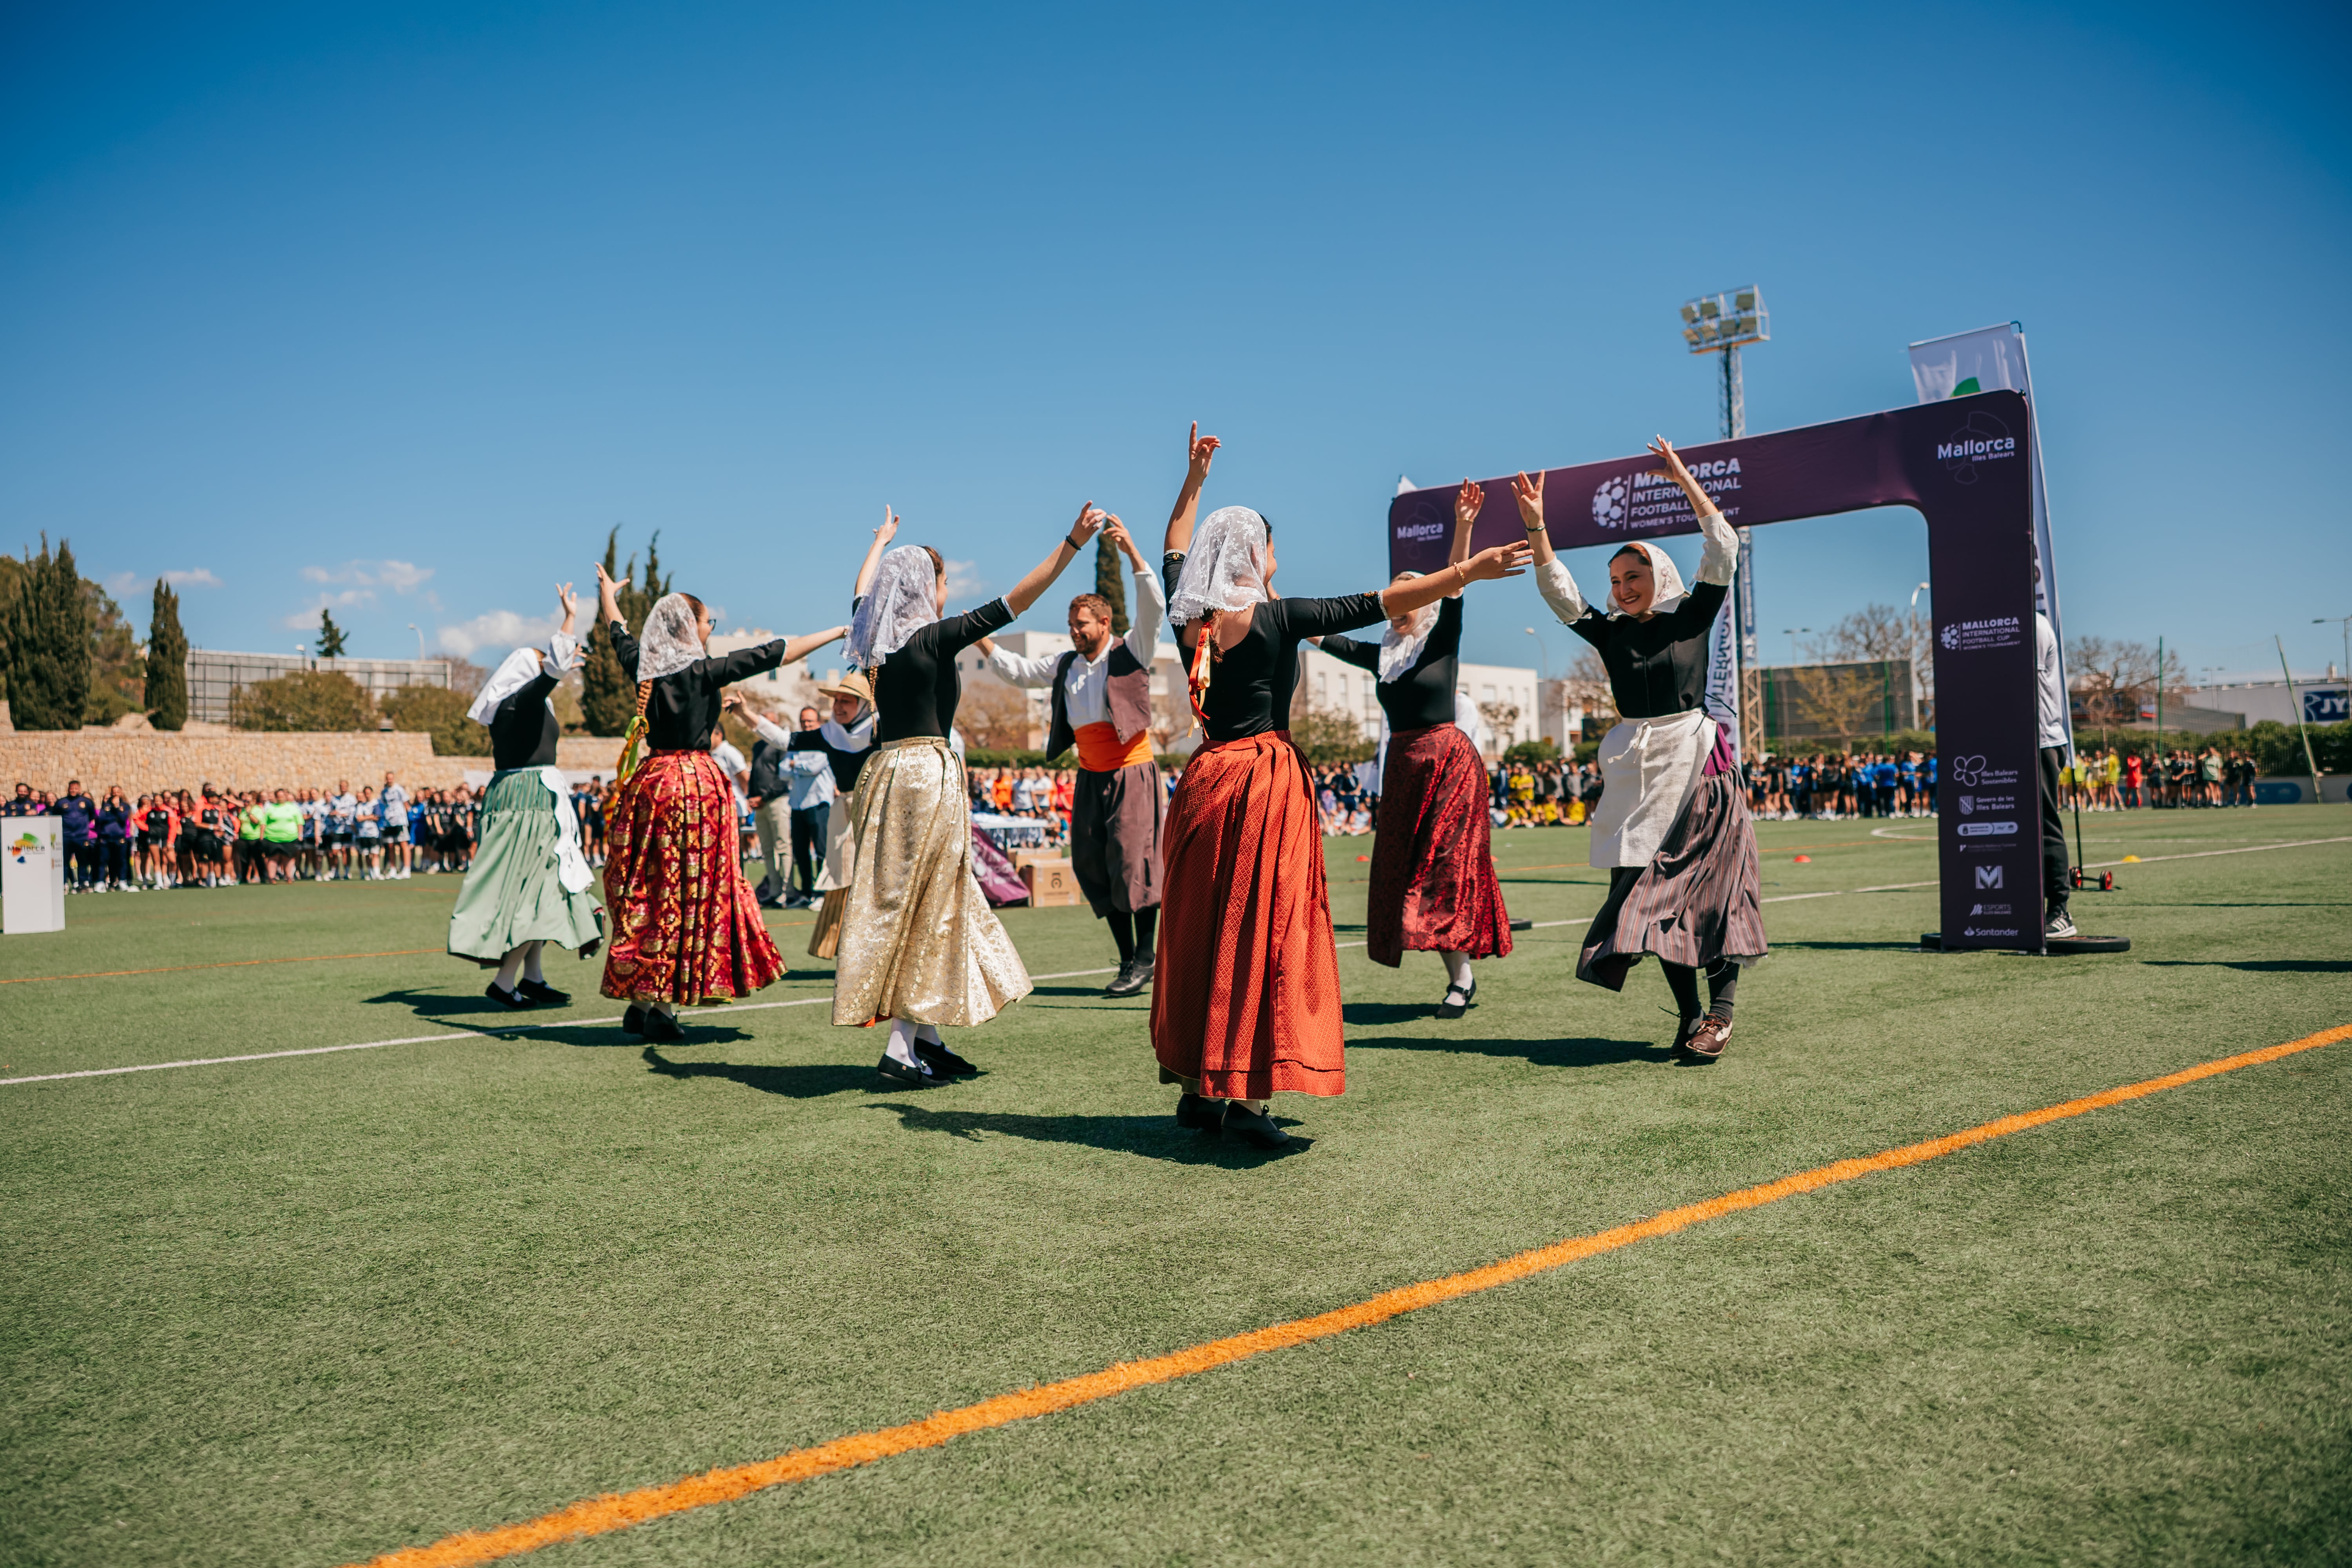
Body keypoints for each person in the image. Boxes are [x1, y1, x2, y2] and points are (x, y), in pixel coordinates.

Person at [1153, 424, 1530, 1147]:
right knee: (1266, 933)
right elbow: (1383, 601)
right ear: (1255, 555)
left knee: (1204, 930)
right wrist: (1468, 571)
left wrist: (1193, 481)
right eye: (1270, 547)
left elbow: (1174, 543)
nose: (1276, 558)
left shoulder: (1187, 614)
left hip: (1204, 782)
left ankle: (1201, 1090)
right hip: (1262, 785)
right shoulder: (1280, 616)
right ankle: (1249, 1103)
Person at [831, 503, 1107, 1086]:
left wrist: (880, 543)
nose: (947, 590)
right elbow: (1019, 600)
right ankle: (901, 1047)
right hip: (925, 775)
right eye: (942, 581)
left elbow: (862, 589)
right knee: (928, 903)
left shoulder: (872, 637)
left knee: (907, 900)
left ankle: (927, 1039)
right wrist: (1073, 543)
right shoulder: (934, 638)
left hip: (883, 770)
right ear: (924, 586)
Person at [1523, 438, 1767, 1064]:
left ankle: (1720, 1013)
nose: (1624, 588)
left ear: (1658, 575)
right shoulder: (1611, 634)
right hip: (1636, 777)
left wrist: (1683, 478)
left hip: (1699, 770)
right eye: (1615, 580)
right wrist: (1537, 527)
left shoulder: (1692, 614)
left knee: (1709, 899)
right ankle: (1690, 1016)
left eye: (1633, 576)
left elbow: (1723, 546)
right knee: (1650, 903)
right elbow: (1559, 593)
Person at [595, 563, 846, 1042]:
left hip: (651, 783)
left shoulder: (643, 668)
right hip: (694, 788)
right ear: (690, 628)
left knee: (651, 887)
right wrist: (837, 631)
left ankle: (643, 997)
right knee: (687, 892)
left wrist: (608, 594)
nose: (711, 628)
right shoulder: (705, 671)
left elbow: (617, 630)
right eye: (708, 621)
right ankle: (662, 1006)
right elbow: (779, 652)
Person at [1314, 478, 1513, 1016]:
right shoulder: (1381, 654)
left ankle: (1461, 980)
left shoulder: (1440, 639)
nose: (1403, 604)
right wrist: (1269, 602)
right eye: (1397, 596)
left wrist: (1464, 526)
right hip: (1403, 766)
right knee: (1405, 868)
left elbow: (1456, 584)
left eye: (1413, 595)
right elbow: (1321, 635)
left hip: (1449, 763)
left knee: (1444, 866)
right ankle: (1459, 976)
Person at [982, 515, 1169, 995]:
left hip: (1132, 772)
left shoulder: (1133, 650)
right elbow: (1020, 671)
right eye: (1071, 625)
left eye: (1081, 624)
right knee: (1092, 864)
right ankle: (1128, 959)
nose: (1074, 631)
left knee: (1133, 863)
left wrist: (1133, 554)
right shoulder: (1066, 664)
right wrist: (981, 639)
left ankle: (1145, 957)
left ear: (1105, 622)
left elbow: (1153, 608)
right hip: (1090, 776)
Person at [451, 584, 607, 1008]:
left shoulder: (511, 706)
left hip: (523, 798)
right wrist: (570, 619)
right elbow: (552, 671)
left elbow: (552, 672)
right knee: (536, 891)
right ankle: (505, 982)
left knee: (540, 890)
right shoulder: (520, 702)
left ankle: (533, 977)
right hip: (530, 801)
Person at [2031, 591, 2074, 939]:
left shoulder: (2033, 625)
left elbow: (2024, 685)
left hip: (2041, 740)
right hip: (2013, 743)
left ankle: (2060, 911)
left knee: (2045, 825)